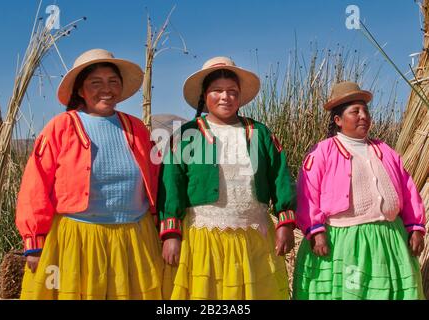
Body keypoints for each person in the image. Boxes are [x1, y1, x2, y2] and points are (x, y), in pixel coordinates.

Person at [16, 48, 163, 300]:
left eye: (112, 81)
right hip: (77, 238)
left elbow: (156, 177)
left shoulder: (136, 127)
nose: (105, 88)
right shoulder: (60, 127)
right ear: (80, 90)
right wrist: (34, 242)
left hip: (134, 238)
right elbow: (35, 184)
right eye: (95, 82)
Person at [158, 56, 296, 300]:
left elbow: (279, 176)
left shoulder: (259, 133)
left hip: (254, 236)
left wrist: (285, 222)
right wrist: (171, 233)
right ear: (204, 95)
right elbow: (172, 185)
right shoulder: (188, 135)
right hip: (204, 237)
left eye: (232, 91)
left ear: (240, 96)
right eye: (217, 91)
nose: (225, 97)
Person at [293, 81, 426, 300]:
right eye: (355, 112)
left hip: (390, 239)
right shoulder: (322, 152)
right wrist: (315, 232)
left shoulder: (385, 151)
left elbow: (408, 189)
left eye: (365, 111)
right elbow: (307, 193)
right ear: (338, 120)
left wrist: (416, 227)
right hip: (345, 240)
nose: (363, 116)